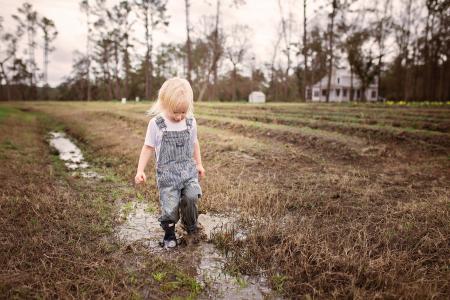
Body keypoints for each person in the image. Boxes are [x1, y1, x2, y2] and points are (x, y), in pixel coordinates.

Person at [135, 77, 205, 248]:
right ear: (164, 104)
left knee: (191, 197)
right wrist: (140, 170)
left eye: (183, 112)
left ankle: (190, 227)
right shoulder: (156, 124)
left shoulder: (190, 121)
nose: (179, 116)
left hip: (188, 172)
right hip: (167, 176)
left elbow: (194, 143)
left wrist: (199, 164)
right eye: (175, 112)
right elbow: (148, 148)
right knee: (170, 209)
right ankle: (169, 234)